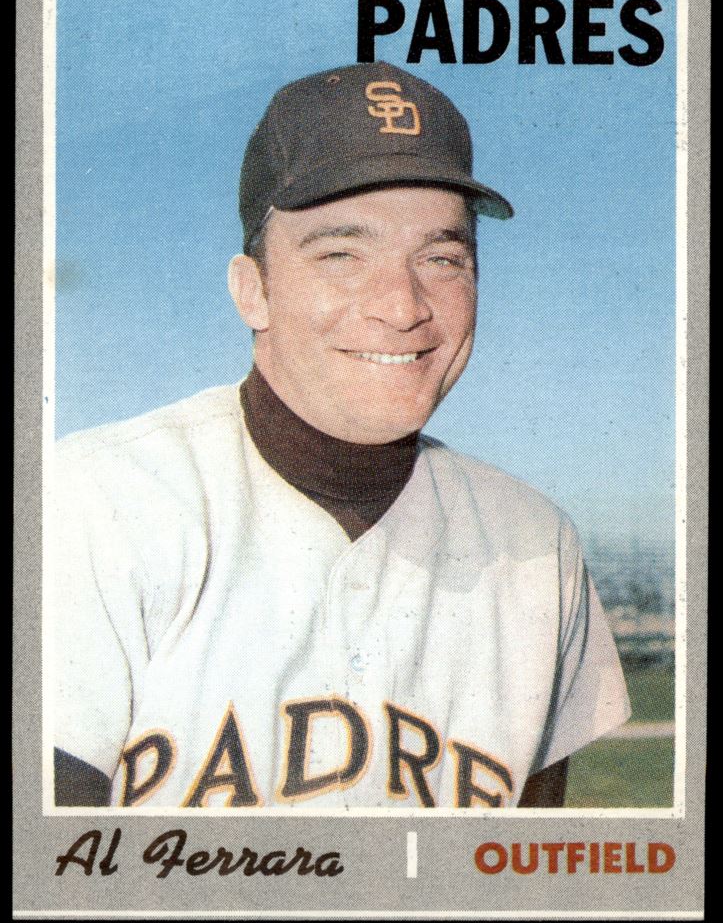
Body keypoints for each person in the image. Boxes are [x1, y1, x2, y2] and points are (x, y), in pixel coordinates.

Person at [53, 61, 630, 809]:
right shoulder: (93, 501)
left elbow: (523, 865)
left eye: (441, 258)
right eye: (341, 254)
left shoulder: (536, 543)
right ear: (252, 290)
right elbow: (44, 868)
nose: (402, 305)